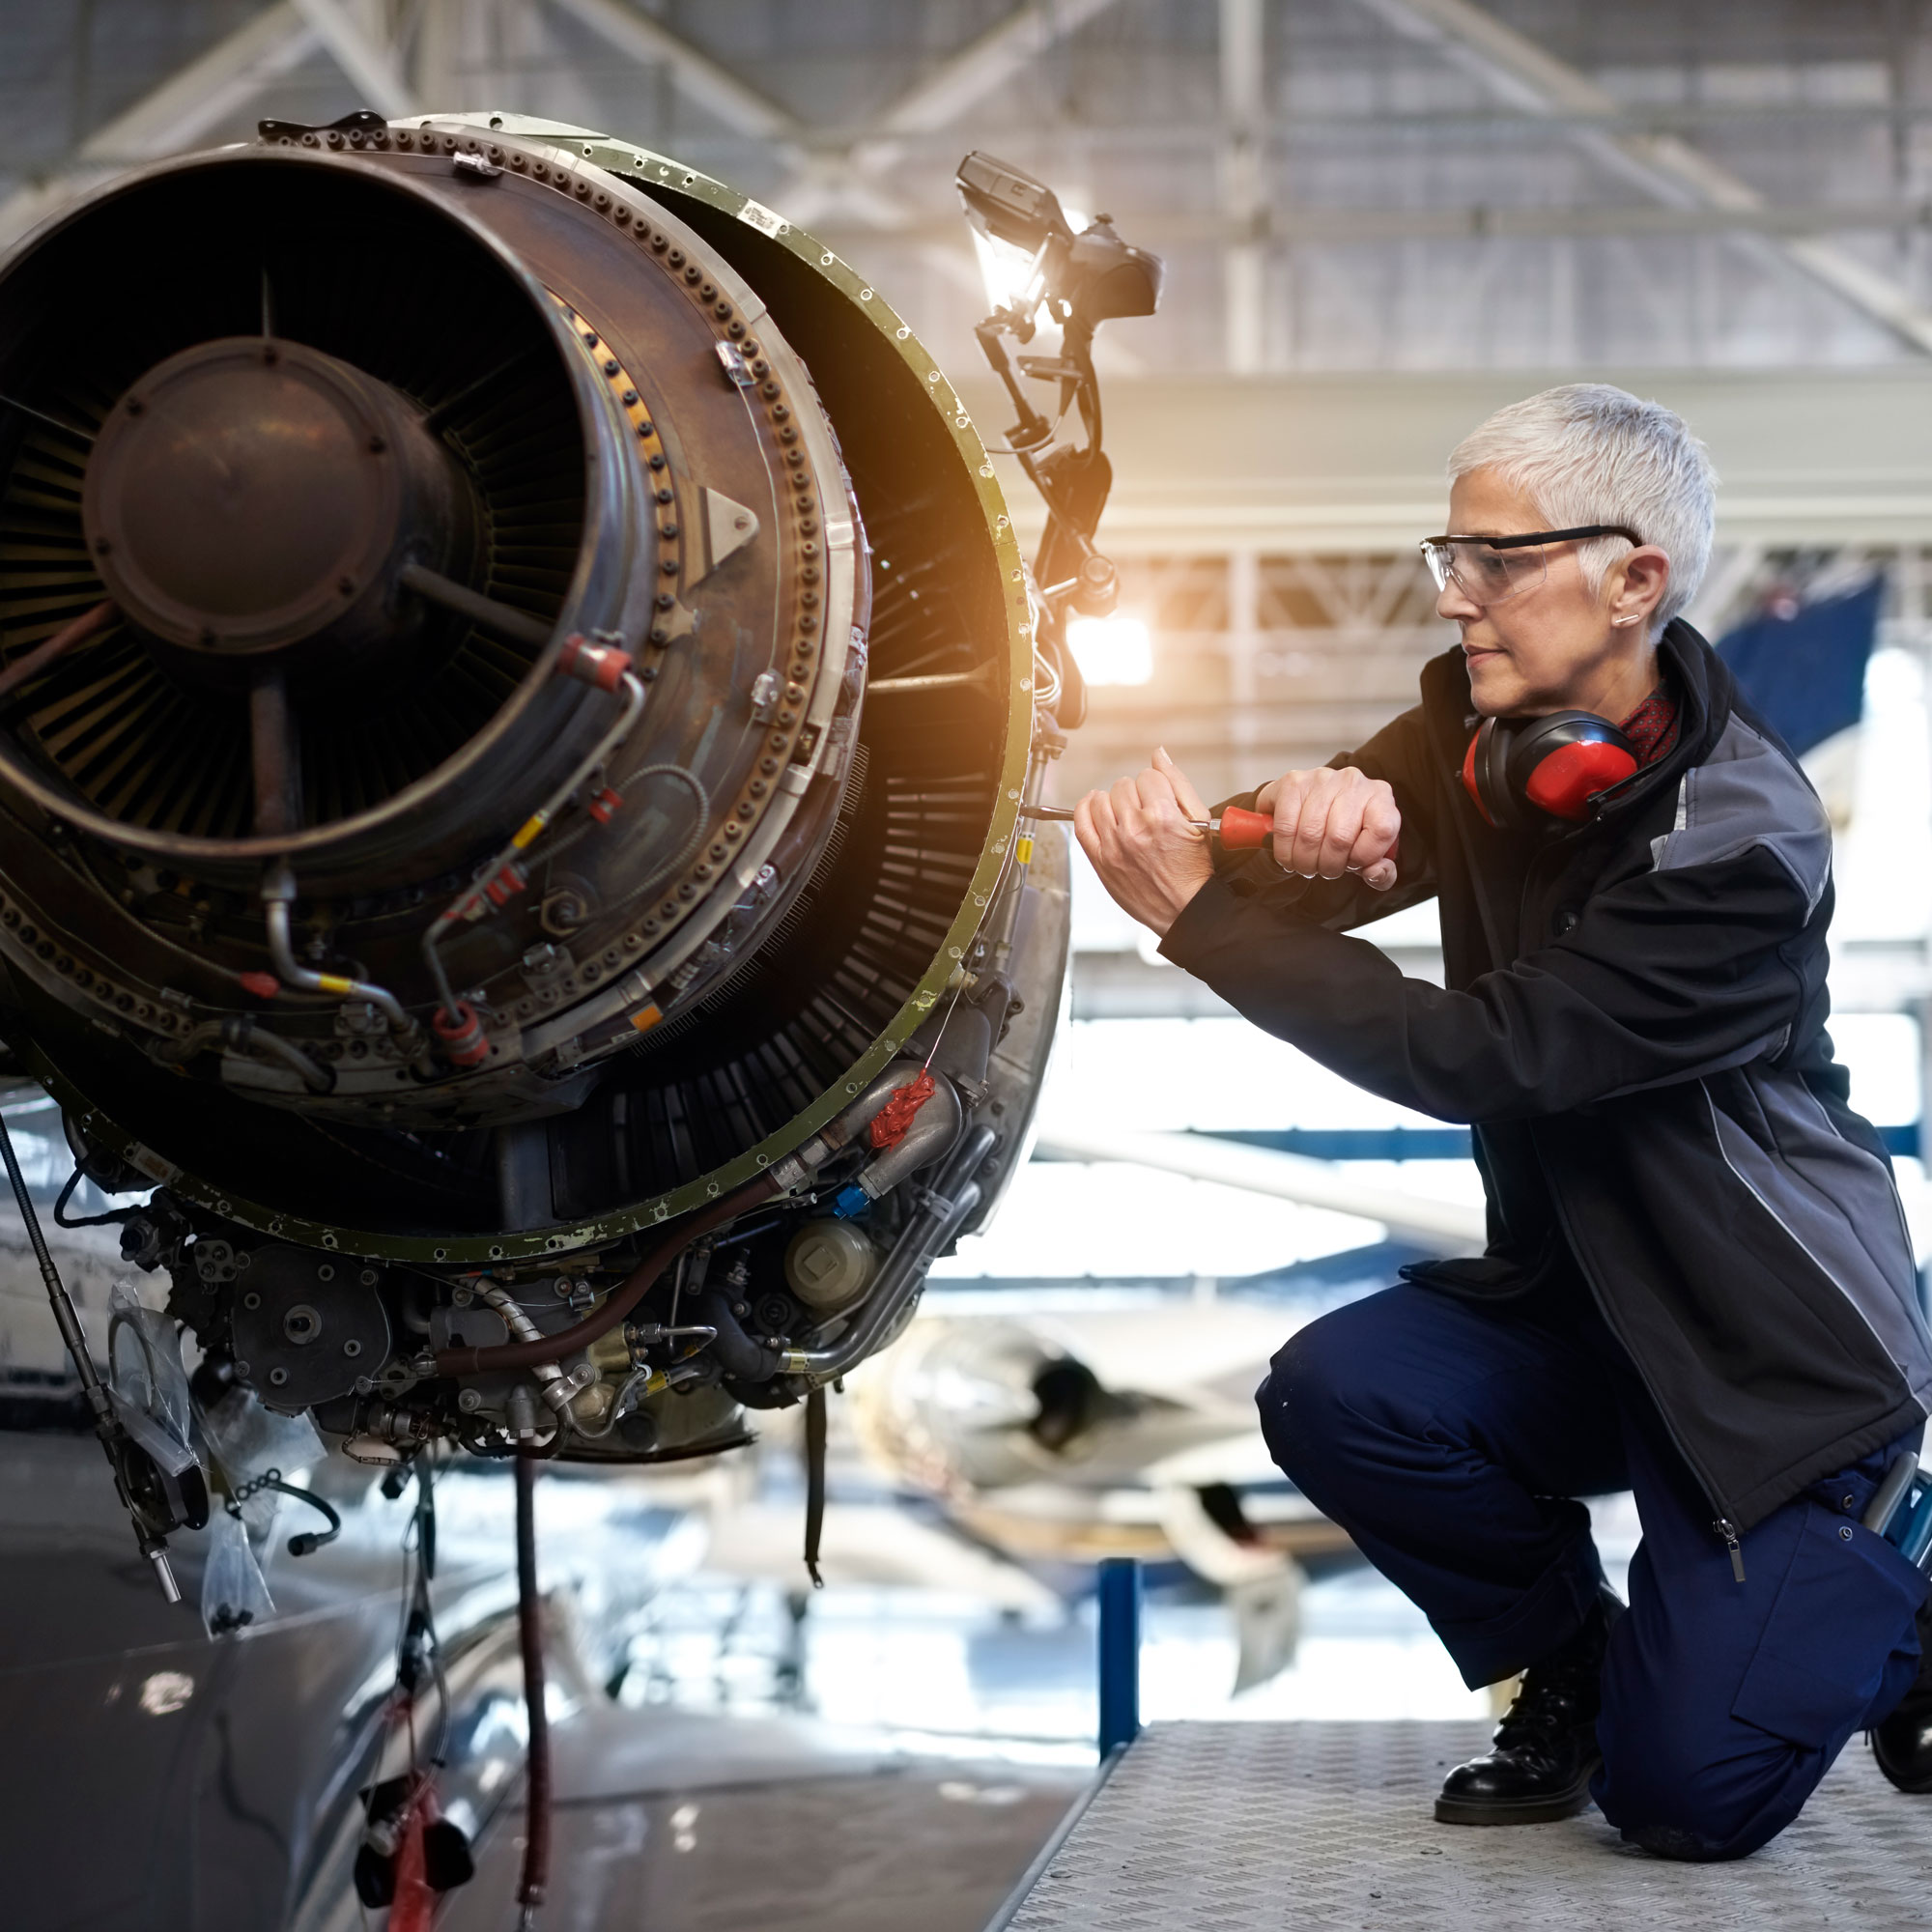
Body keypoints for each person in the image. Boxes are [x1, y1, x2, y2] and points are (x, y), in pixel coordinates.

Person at [1072, 384, 1932, 1861]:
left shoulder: (1738, 840)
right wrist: (1306, 811)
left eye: (1499, 559)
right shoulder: (1482, 735)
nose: (1459, 595)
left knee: (1688, 1809)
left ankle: (1900, 1612)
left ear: (1635, 578)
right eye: (1448, 556)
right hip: (1591, 1320)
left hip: (1767, 1366)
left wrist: (1208, 923)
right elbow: (1282, 883)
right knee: (1342, 1390)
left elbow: (1496, 1055)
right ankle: (1579, 1677)